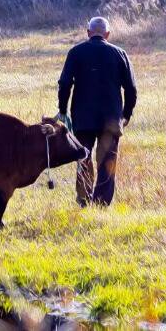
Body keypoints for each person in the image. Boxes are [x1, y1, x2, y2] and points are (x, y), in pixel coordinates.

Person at [58, 17, 137, 206]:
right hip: (111, 119)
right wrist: (125, 115)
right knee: (107, 161)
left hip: (82, 118)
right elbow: (132, 89)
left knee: (83, 158)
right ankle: (101, 203)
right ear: (107, 35)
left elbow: (65, 84)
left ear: (88, 33)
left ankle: (84, 200)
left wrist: (62, 110)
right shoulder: (120, 54)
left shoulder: (76, 52)